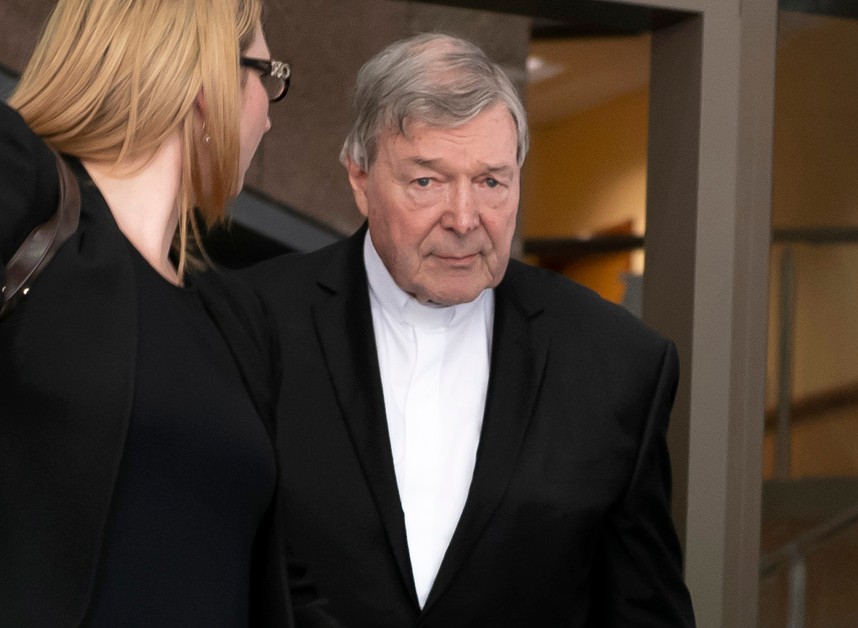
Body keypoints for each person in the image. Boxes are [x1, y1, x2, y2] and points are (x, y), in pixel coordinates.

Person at [247, 32, 696, 627]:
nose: (465, 220)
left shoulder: (617, 363)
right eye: (427, 182)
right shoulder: (250, 325)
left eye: (491, 182)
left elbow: (644, 612)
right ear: (359, 179)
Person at [0, 0, 305, 626]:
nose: (269, 120)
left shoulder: (238, 321)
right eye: (268, 76)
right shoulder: (23, 191)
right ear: (207, 81)